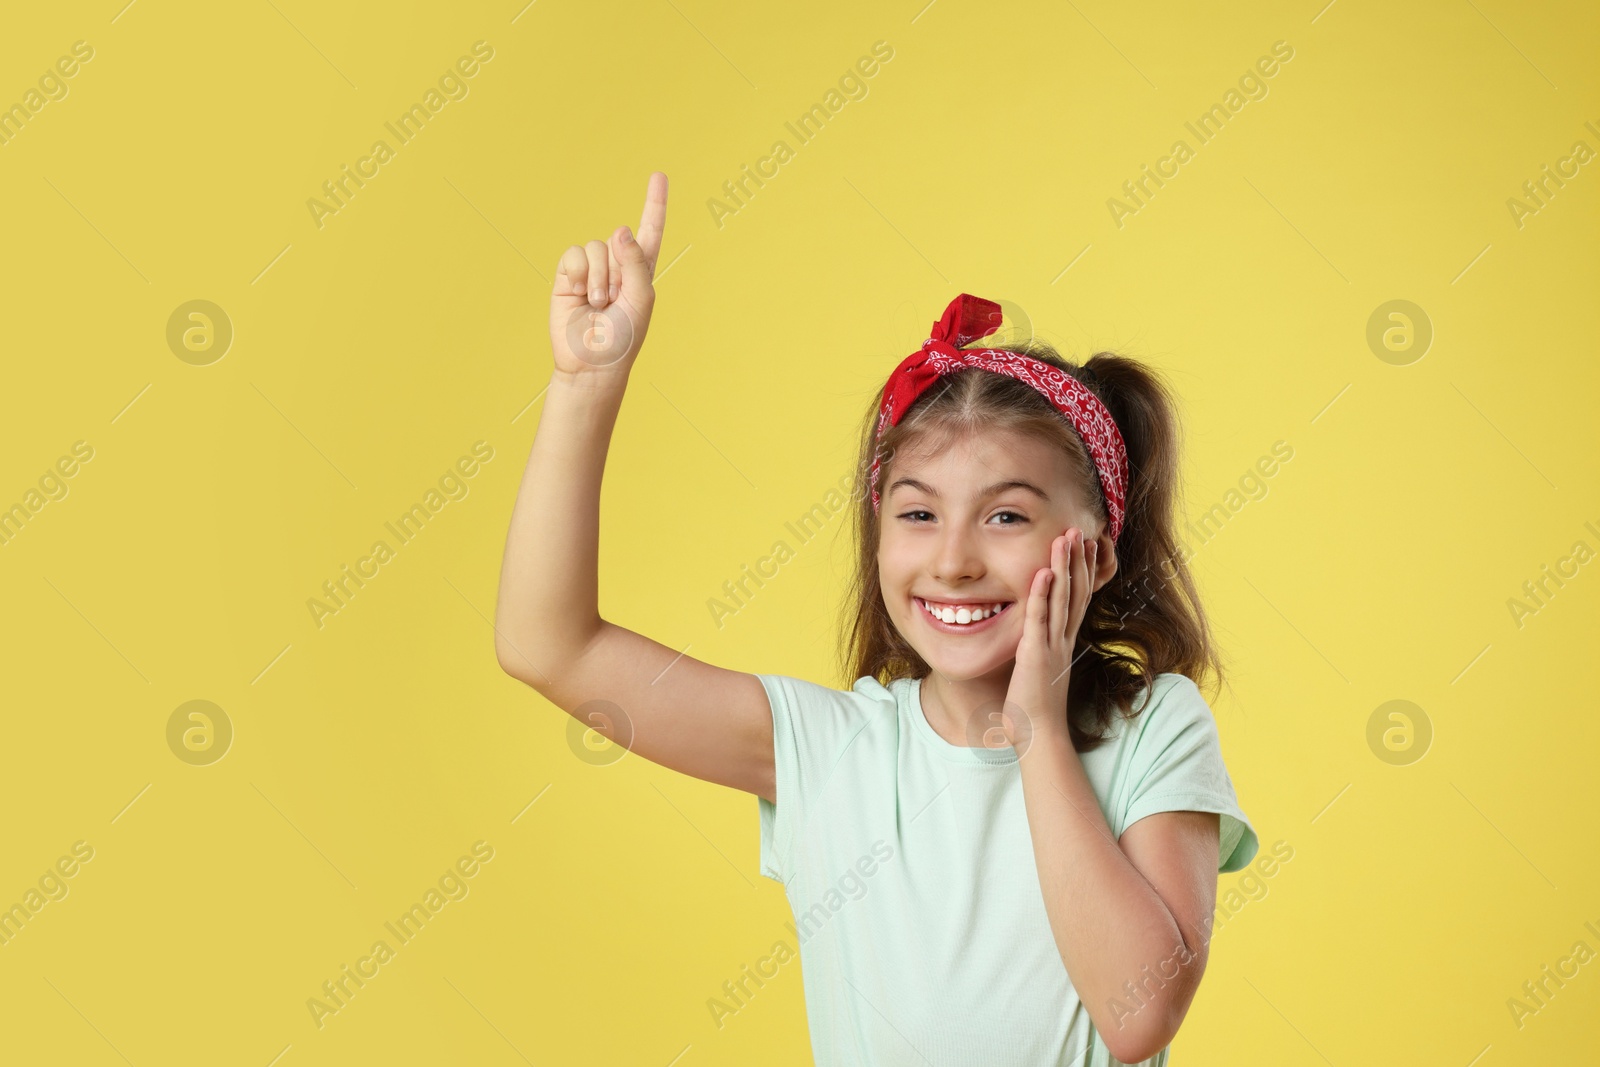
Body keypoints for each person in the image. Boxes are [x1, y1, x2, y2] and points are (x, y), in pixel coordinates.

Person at [495, 171, 1259, 1066]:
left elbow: (1138, 1016)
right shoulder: (831, 751)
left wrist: (1037, 730)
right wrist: (586, 384)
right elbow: (549, 646)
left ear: (1097, 544)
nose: (953, 559)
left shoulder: (1155, 730)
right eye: (918, 512)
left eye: (1006, 514)